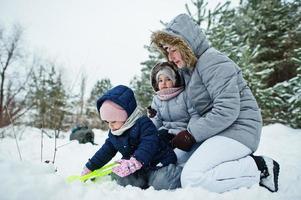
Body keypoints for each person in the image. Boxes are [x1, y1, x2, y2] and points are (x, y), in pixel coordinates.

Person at [150, 13, 280, 193]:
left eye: (173, 50)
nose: (169, 57)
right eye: (166, 51)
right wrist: (179, 135)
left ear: (185, 44)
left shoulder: (213, 62)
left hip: (239, 130)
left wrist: (191, 135)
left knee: (192, 178)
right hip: (217, 131)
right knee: (175, 160)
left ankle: (259, 167)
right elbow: (197, 112)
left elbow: (226, 110)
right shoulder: (191, 69)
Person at [81, 85, 177, 189]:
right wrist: (90, 166)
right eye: (107, 122)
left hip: (158, 163)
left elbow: (149, 143)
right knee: (122, 179)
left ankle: (175, 174)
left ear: (126, 117)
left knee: (162, 181)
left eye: (113, 121)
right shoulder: (115, 133)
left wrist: (137, 159)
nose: (110, 125)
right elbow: (106, 151)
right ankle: (141, 181)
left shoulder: (143, 124)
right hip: (136, 169)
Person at [148, 62, 200, 164]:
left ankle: (164, 164)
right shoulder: (157, 99)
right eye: (160, 80)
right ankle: (143, 163)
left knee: (165, 147)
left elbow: (195, 115)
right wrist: (149, 128)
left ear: (175, 81)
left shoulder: (184, 95)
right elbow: (156, 121)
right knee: (154, 140)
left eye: (168, 79)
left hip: (182, 133)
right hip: (166, 132)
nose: (164, 83)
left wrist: (189, 133)